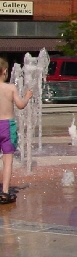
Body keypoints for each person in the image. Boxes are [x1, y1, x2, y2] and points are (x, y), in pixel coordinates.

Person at [0, 58, 33, 204]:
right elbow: (20, 105)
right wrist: (27, 96)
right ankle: (5, 191)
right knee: (7, 160)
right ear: (5, 71)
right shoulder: (11, 88)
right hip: (7, 126)